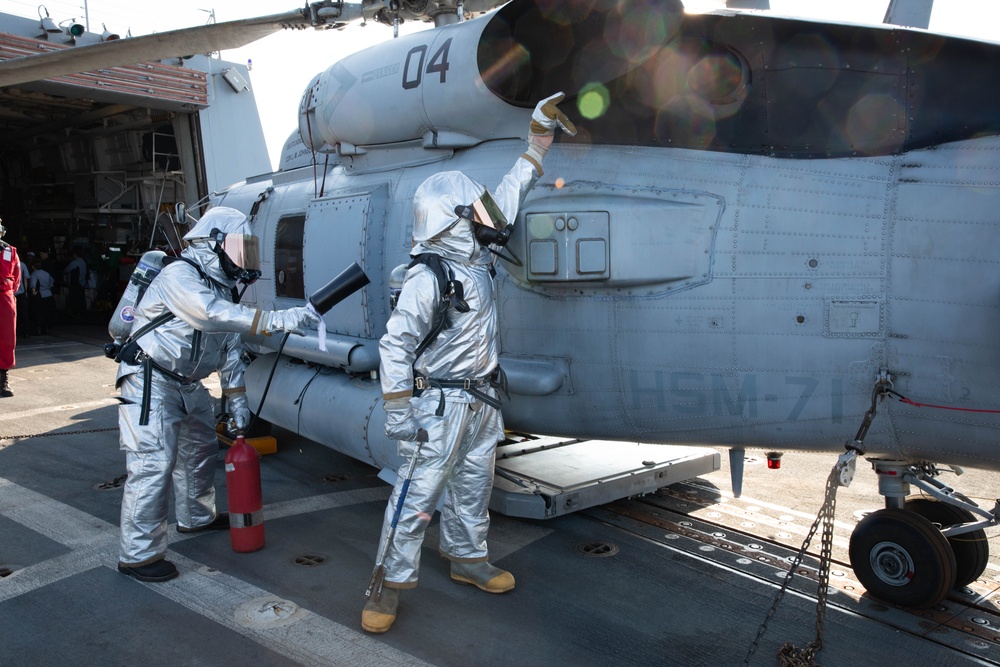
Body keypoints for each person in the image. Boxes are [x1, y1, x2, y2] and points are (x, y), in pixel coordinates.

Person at [362, 93, 576, 633]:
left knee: (473, 485)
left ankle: (467, 558)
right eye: (475, 212)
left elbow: (507, 193)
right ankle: (385, 584)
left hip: (481, 398)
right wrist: (397, 413)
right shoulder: (427, 275)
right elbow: (393, 346)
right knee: (416, 493)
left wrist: (537, 140)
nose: (488, 218)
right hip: (439, 402)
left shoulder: (474, 260)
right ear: (452, 219)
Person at [116, 206, 321, 583]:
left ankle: (196, 517)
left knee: (199, 451)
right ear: (214, 244)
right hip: (150, 380)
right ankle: (138, 555)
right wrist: (277, 320)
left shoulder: (223, 290)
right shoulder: (181, 275)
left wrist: (239, 403)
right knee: (152, 464)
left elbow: (228, 350)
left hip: (187, 383)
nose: (245, 259)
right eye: (240, 248)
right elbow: (208, 315)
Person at [0, 218, 20, 398]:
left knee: (7, 339)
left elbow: (16, 278)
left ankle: (2, 380)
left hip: (4, 297)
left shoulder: (10, 251)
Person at [29, 261, 56, 335]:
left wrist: (33, 294)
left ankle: (39, 329)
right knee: (47, 312)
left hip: (40, 295)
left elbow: (33, 286)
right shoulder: (46, 273)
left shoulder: (34, 274)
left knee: (39, 313)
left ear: (33, 267)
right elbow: (52, 282)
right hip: (48, 294)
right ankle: (46, 328)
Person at [63, 247, 87, 320]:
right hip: (82, 283)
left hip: (76, 284)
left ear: (74, 255)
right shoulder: (83, 262)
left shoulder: (75, 263)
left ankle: (74, 314)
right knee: (81, 299)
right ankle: (81, 313)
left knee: (74, 300)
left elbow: (66, 270)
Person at [15, 252, 30, 340]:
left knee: (14, 314)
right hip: (21, 292)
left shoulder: (9, 263)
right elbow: (25, 279)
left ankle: (16, 332)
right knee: (24, 312)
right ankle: (26, 332)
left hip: (11, 293)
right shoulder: (22, 265)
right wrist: (26, 291)